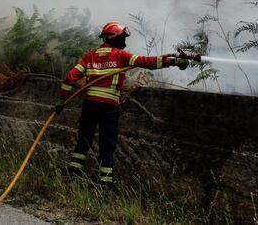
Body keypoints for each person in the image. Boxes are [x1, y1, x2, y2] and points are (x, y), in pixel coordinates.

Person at [57, 21, 188, 188]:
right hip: (108, 108)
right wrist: (174, 62)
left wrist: (62, 100)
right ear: (115, 38)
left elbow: (70, 78)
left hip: (90, 106)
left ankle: (72, 178)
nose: (125, 42)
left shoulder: (90, 56)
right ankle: (104, 188)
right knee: (107, 146)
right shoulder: (120, 55)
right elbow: (146, 62)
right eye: (123, 38)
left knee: (83, 141)